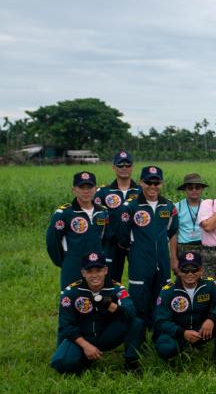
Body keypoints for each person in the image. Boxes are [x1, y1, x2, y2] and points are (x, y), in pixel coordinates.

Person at [118, 166, 178, 360]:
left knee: (161, 301)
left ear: (161, 183)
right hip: (140, 262)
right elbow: (122, 237)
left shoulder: (168, 206)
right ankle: (136, 345)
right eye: (149, 182)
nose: (153, 186)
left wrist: (172, 257)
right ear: (141, 182)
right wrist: (138, 252)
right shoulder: (131, 206)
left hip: (162, 261)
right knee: (138, 303)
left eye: (156, 182)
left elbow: (171, 232)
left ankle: (160, 339)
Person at [51, 250, 142, 373]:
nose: (94, 275)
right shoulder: (71, 292)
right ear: (83, 273)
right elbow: (66, 325)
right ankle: (85, 358)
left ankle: (131, 363)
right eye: (89, 271)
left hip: (107, 335)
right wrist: (86, 346)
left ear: (105, 270)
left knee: (136, 322)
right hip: (82, 337)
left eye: (98, 270)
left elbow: (131, 312)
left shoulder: (116, 289)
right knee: (61, 364)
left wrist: (110, 305)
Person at [153, 251, 216, 365]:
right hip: (179, 332)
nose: (190, 273)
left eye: (194, 269)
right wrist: (183, 332)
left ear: (201, 271)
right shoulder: (167, 291)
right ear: (179, 271)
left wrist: (211, 319)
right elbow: (160, 320)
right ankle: (177, 356)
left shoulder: (210, 284)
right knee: (165, 349)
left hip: (201, 330)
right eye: (185, 269)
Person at [46, 171, 112, 289]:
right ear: (74, 190)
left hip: (96, 267)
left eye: (89, 187)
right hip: (73, 266)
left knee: (97, 301)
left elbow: (105, 238)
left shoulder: (102, 212)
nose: (86, 191)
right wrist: (66, 262)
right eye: (82, 187)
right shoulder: (64, 213)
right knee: (72, 300)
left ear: (95, 189)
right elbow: (52, 242)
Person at [95, 150, 140, 282]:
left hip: (136, 243)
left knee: (139, 279)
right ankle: (112, 303)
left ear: (132, 167)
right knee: (110, 280)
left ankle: (134, 302)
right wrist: (113, 237)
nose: (124, 168)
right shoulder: (103, 192)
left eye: (127, 165)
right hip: (111, 244)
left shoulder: (142, 191)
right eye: (120, 165)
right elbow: (97, 220)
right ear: (114, 167)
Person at [174, 173, 207, 263]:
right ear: (185, 189)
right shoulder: (177, 207)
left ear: (201, 189)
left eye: (197, 187)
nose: (194, 190)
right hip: (184, 247)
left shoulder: (207, 205)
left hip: (204, 246)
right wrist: (174, 257)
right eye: (190, 188)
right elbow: (174, 233)